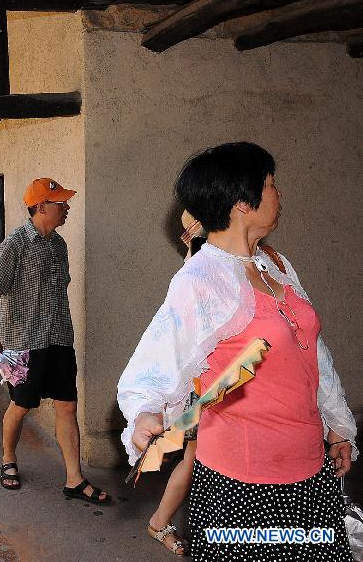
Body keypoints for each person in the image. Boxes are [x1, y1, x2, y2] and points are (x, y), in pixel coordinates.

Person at [118, 142, 356, 561]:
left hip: (309, 471)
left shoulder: (276, 264)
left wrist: (337, 426)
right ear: (243, 201)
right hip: (243, 484)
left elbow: (313, 352)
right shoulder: (200, 279)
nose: (279, 194)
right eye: (271, 184)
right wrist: (146, 414)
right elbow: (155, 364)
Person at [0, 178, 109, 503]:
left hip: (59, 339)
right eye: (60, 203)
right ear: (40, 207)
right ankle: (8, 458)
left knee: (67, 405)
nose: (66, 208)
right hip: (23, 342)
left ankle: (74, 479)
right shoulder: (15, 243)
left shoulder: (58, 245)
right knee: (22, 404)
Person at [146, 211, 206, 557]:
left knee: (197, 459)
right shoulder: (195, 266)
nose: (195, 227)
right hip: (209, 384)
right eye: (190, 223)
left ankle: (160, 521)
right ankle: (159, 522)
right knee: (195, 458)